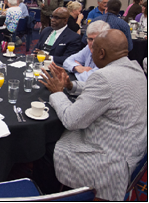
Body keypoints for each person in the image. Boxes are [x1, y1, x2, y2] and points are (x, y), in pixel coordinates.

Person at [38, 29, 147, 201]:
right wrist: (70, 86)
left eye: (93, 50)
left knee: (44, 147)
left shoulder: (104, 77)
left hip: (107, 159)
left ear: (101, 53)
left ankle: (51, 194)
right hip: (133, 150)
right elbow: (106, 90)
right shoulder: (135, 67)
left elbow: (71, 120)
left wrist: (58, 92)